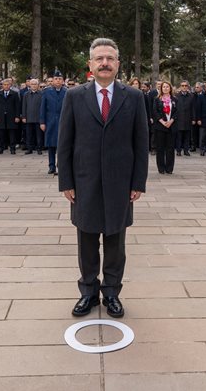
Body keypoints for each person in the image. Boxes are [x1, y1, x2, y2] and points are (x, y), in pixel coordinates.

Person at [57, 37, 148, 319]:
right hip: (84, 183)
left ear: (118, 64)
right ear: (91, 64)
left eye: (110, 58)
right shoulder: (74, 96)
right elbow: (65, 143)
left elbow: (141, 142)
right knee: (86, 241)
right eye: (99, 59)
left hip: (120, 185)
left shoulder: (133, 97)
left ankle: (111, 294)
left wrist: (137, 182)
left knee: (115, 244)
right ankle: (87, 293)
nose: (105, 63)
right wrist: (66, 182)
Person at [40, 70, 67, 175]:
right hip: (50, 122)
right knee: (51, 146)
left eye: (60, 79)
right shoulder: (46, 92)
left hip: (63, 122)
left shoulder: (67, 92)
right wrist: (42, 122)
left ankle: (60, 166)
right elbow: (42, 108)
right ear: (52, 80)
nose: (58, 81)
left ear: (63, 81)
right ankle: (51, 167)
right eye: (56, 79)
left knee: (62, 146)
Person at [151, 80, 177, 173]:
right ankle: (161, 168)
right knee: (160, 148)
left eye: (167, 87)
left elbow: (177, 112)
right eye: (164, 87)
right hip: (160, 126)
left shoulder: (174, 99)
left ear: (170, 88)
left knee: (170, 148)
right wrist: (162, 121)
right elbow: (155, 112)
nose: (165, 88)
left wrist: (171, 121)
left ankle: (169, 168)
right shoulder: (157, 99)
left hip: (171, 126)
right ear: (161, 88)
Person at [0, 77, 21, 154]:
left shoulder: (14, 94)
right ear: (2, 85)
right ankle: (0, 148)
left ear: (10, 85)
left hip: (11, 117)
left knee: (12, 134)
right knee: (1, 134)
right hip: (1, 116)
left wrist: (17, 116)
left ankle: (12, 148)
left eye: (7, 84)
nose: (6, 86)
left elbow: (17, 106)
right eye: (4, 85)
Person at [21, 78, 43, 155]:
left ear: (38, 85)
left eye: (35, 84)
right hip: (28, 118)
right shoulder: (26, 94)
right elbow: (24, 106)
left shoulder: (41, 94)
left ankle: (39, 148)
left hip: (38, 118)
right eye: (32, 84)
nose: (34, 85)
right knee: (29, 134)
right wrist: (23, 116)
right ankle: (29, 149)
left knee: (39, 135)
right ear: (29, 85)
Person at [175, 80, 196, 156]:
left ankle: (186, 150)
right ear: (180, 87)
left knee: (187, 136)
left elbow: (193, 108)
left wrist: (194, 119)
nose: (184, 87)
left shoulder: (191, 96)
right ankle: (178, 150)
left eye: (185, 86)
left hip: (188, 118)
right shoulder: (176, 96)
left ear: (188, 87)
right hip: (179, 119)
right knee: (179, 136)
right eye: (182, 86)